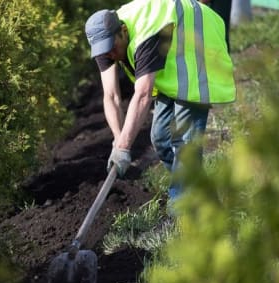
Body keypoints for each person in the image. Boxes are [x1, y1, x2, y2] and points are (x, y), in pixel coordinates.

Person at [85, 0, 236, 204]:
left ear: (123, 31)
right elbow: (111, 95)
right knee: (161, 138)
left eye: (112, 48)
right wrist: (118, 139)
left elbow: (143, 93)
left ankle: (184, 209)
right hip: (173, 56)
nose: (110, 55)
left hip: (198, 44)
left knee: (184, 138)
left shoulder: (146, 32)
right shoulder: (104, 42)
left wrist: (124, 146)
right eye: (104, 52)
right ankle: (204, 198)